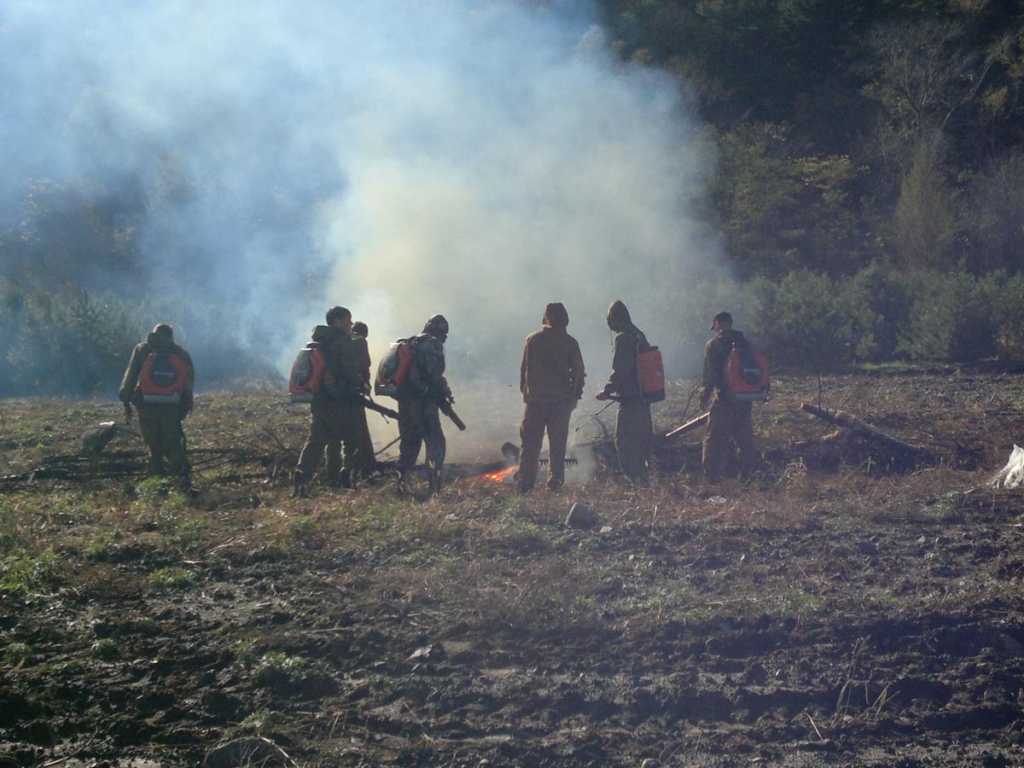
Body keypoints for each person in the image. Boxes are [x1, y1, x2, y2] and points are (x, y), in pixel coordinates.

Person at [294, 306, 375, 496]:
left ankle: (301, 476)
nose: (351, 323)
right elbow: (348, 371)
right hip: (339, 401)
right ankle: (346, 476)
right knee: (353, 440)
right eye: (348, 318)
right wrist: (361, 384)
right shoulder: (343, 341)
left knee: (316, 441)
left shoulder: (320, 341)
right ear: (337, 321)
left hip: (320, 400)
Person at [517, 303, 585, 493]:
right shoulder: (570, 342)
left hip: (535, 402)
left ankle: (525, 483)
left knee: (530, 443)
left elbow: (524, 370)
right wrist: (574, 397)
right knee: (557, 445)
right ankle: (554, 483)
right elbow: (579, 372)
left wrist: (527, 394)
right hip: (560, 403)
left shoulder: (532, 339)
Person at [118, 323, 195, 488]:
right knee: (172, 442)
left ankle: (157, 484)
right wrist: (182, 404)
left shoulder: (142, 350)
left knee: (152, 445)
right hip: (171, 405)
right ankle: (183, 476)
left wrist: (125, 399)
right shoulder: (180, 353)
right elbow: (189, 380)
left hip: (145, 405)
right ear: (171, 336)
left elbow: (131, 375)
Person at [596, 300, 652, 481]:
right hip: (644, 398)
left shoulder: (623, 338)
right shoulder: (639, 334)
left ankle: (636, 480)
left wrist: (607, 390)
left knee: (625, 442)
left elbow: (621, 370)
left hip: (630, 400)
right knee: (641, 439)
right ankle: (644, 476)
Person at [396, 314, 452, 495]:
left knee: (409, 443)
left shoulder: (412, 342)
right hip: (423, 401)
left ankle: (401, 485)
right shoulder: (432, 343)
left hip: (405, 400)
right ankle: (434, 488)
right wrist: (441, 393)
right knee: (435, 441)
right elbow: (432, 373)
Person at [699, 311, 756, 484]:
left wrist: (704, 395)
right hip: (745, 398)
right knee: (745, 440)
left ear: (717, 323)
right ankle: (750, 476)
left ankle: (711, 478)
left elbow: (709, 374)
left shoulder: (714, 344)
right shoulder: (744, 342)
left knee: (713, 439)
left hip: (724, 399)